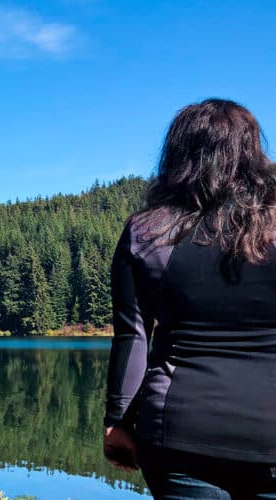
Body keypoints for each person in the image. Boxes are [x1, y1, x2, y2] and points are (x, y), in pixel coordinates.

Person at [104, 98, 276, 499]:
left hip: (177, 435)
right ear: (251, 151)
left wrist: (116, 420)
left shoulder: (148, 232)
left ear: (179, 155)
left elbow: (132, 338)